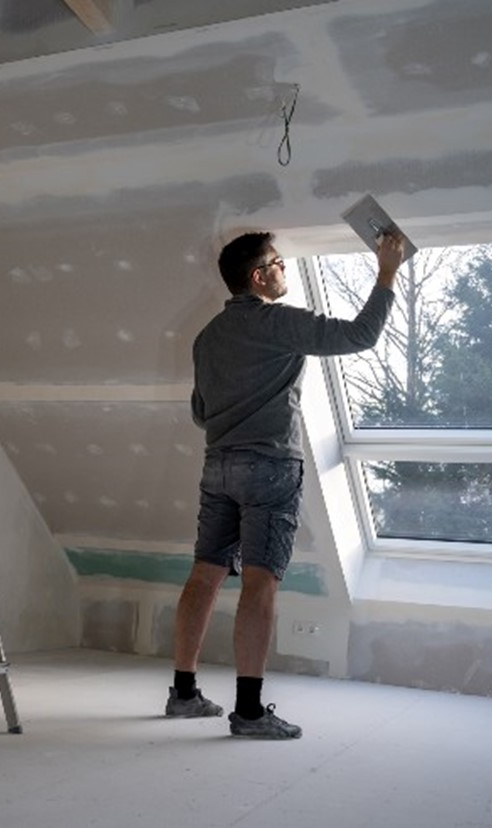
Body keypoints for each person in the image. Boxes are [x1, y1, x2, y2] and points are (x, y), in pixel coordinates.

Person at [164, 229, 405, 738]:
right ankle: (249, 713)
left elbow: (201, 412)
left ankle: (183, 694)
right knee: (259, 582)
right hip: (269, 467)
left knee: (204, 574)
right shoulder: (279, 323)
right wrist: (386, 272)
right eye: (278, 263)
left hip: (218, 467)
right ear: (259, 276)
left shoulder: (207, 337)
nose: (285, 270)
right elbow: (360, 336)